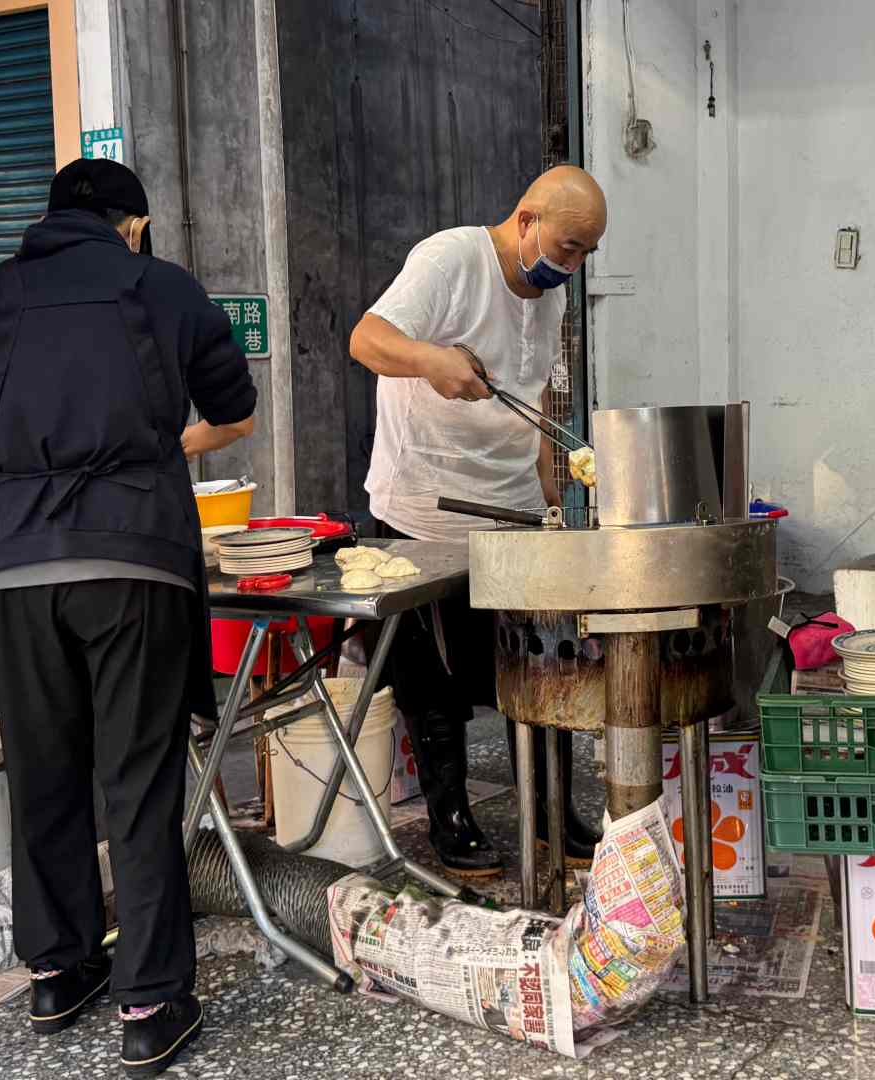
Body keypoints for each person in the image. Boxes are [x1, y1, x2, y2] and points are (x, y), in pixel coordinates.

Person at [0, 159, 256, 1077]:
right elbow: (235, 412)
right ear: (131, 226)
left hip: (15, 569)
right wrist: (160, 444)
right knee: (136, 779)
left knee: (44, 773)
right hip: (133, 559)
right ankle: (150, 1001)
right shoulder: (164, 289)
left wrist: (5, 458)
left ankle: (60, 973)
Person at [349, 165, 608, 876]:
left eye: (586, 253)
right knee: (432, 682)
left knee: (540, 668)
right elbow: (366, 340)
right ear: (525, 219)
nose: (572, 264)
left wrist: (554, 502)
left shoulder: (546, 295)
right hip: (425, 508)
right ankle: (450, 818)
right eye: (567, 246)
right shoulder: (449, 259)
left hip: (512, 512)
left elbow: (535, 410)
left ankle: (554, 812)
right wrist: (431, 359)